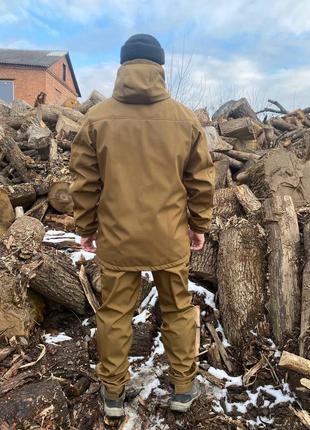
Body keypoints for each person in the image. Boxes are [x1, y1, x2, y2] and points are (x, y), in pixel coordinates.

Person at [70, 34, 214, 418]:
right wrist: (198, 224)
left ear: (123, 67)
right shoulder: (185, 120)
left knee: (115, 313)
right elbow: (200, 181)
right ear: (160, 68)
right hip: (169, 237)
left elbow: (83, 182)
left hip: (117, 239)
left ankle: (113, 395)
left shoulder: (97, 119)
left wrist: (86, 225)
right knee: (178, 309)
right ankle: (184, 387)